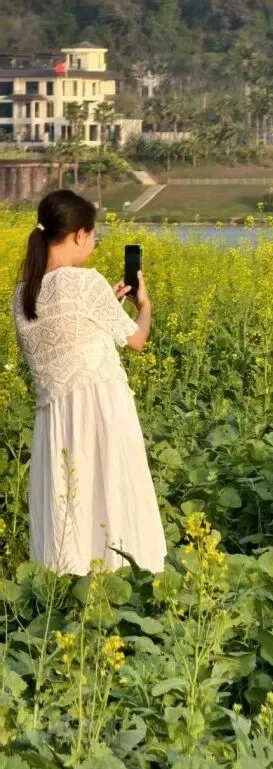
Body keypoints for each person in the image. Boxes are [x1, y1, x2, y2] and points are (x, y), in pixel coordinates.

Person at [11, 189, 166, 575]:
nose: (94, 245)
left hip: (56, 422)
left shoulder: (22, 294)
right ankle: (126, 580)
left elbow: (69, 336)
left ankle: (67, 584)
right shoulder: (84, 283)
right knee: (110, 492)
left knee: (70, 505)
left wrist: (106, 304)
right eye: (93, 236)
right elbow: (137, 340)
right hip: (101, 411)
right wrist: (144, 306)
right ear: (79, 234)